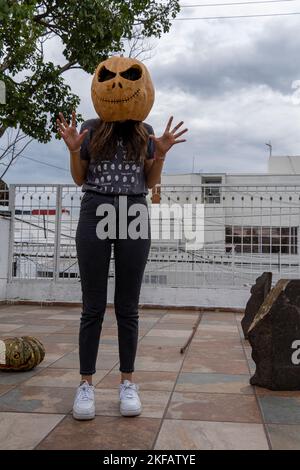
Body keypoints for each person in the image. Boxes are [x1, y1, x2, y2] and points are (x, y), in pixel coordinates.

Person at [56, 62, 187, 420]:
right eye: (108, 79)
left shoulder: (143, 131)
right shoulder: (91, 128)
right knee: (93, 307)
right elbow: (81, 180)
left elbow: (149, 183)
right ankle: (85, 385)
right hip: (95, 208)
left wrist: (159, 153)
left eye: (127, 78)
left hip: (133, 211)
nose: (117, 85)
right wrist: (72, 150)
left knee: (128, 307)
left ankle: (128, 382)